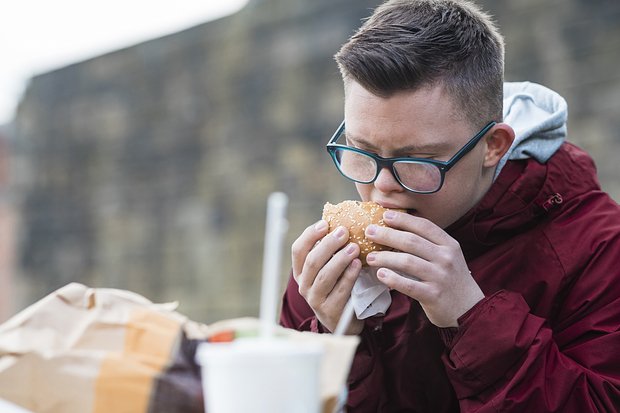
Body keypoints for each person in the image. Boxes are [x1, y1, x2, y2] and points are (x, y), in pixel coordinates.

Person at [279, 0, 620, 411]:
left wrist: (472, 317)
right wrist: (336, 344)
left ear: (493, 147)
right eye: (362, 151)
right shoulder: (330, 271)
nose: (380, 187)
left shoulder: (601, 249)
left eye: (415, 161)